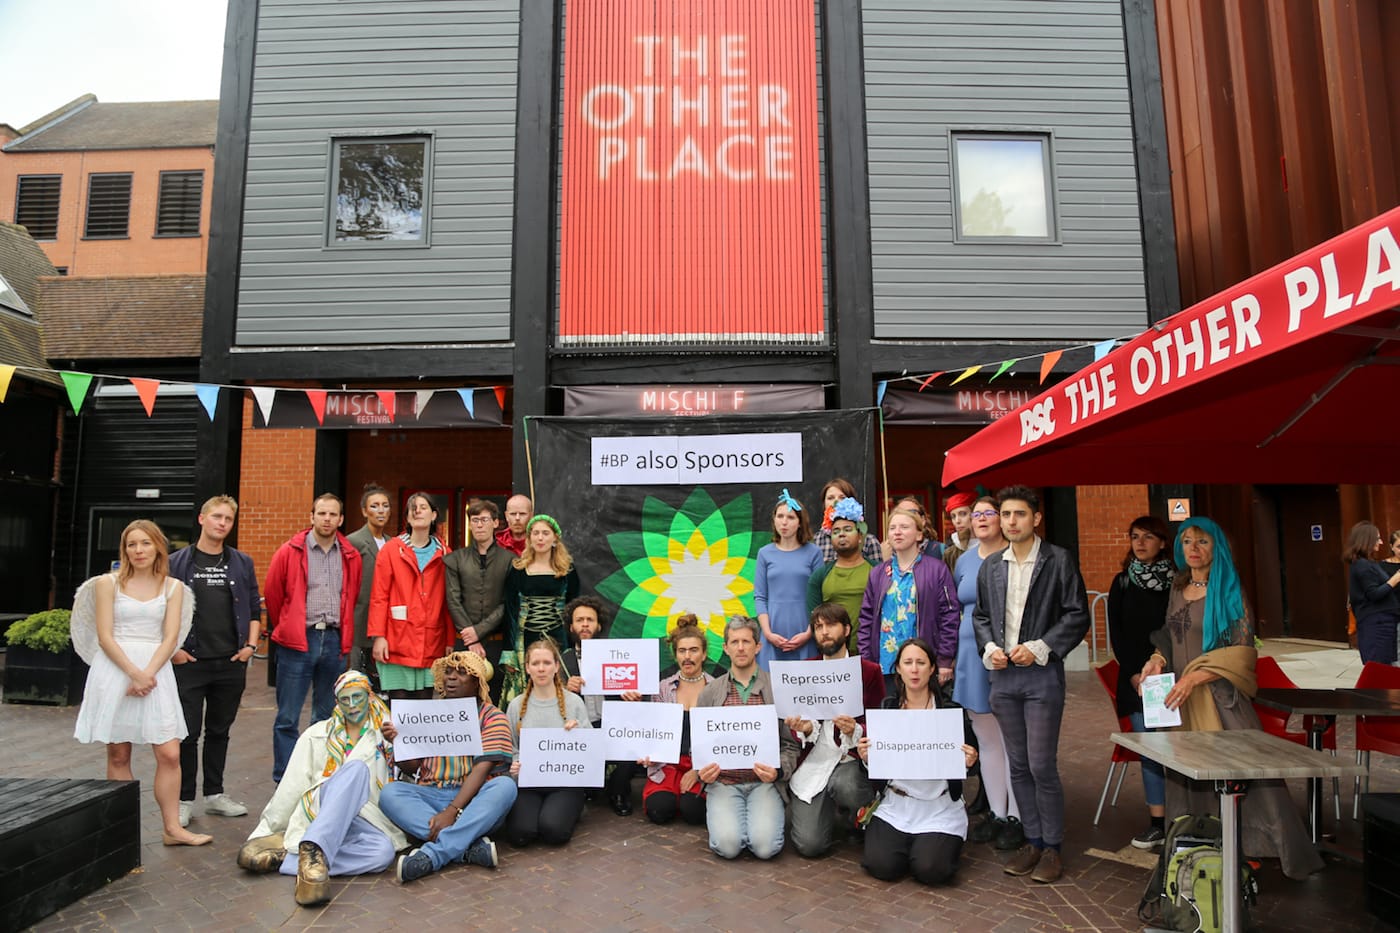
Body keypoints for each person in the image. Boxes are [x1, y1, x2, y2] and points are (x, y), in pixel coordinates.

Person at [1140, 518, 1323, 880]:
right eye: (1187, 541)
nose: (1193, 548)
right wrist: (1157, 658)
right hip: (1182, 702)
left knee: (1244, 779)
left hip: (1221, 701)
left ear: (1217, 547)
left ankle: (1255, 848)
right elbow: (1167, 633)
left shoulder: (1230, 592)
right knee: (1188, 779)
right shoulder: (1178, 587)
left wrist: (1196, 676)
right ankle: (1200, 848)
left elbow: (1242, 652)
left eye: (1202, 542)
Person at [972, 485, 1090, 884]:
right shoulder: (991, 565)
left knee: (1041, 764)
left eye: (1019, 514)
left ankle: (1053, 848)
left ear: (1036, 518)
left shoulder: (1058, 560)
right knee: (1018, 765)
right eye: (1005, 515)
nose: (1010, 522)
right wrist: (989, 647)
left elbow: (1076, 615)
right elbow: (982, 616)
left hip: (1041, 676)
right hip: (1002, 677)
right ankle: (1033, 841)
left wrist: (1041, 647)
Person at [71, 520, 211, 846]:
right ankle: (121, 831)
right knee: (119, 754)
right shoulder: (107, 584)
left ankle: (172, 829)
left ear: (158, 547)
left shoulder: (174, 588)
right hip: (116, 670)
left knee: (170, 753)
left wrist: (147, 673)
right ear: (125, 549)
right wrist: (133, 673)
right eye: (132, 544)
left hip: (156, 671)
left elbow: (171, 636)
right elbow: (104, 636)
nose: (139, 550)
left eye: (145, 543)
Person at [235, 670, 406, 906]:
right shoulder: (316, 734)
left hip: (367, 816)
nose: (353, 705)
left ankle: (294, 858)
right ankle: (314, 845)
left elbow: (409, 775)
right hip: (322, 809)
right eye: (345, 700)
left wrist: (400, 744)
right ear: (337, 703)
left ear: (370, 697)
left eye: (358, 697)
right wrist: (266, 830)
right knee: (356, 769)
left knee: (382, 854)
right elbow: (291, 785)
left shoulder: (389, 733)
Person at [380, 651, 518, 883]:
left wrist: (452, 811)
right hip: (430, 794)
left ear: (477, 683)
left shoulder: (493, 717)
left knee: (505, 786)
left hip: (474, 800)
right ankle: (466, 847)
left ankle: (433, 855)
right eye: (449, 672)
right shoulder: (427, 713)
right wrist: (399, 742)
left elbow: (482, 768)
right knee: (389, 793)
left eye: (462, 673)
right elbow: (411, 767)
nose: (452, 677)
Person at [167, 495, 261, 828]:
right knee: (187, 734)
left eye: (228, 519)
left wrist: (250, 646)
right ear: (202, 519)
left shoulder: (241, 562)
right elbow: (162, 610)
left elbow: (253, 608)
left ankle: (215, 794)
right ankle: (183, 799)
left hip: (230, 662)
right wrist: (173, 650)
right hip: (189, 662)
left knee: (220, 731)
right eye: (217, 517)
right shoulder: (176, 563)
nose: (222, 523)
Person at [857, 638, 978, 886]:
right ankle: (910, 845)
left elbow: (974, 763)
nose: (914, 669)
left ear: (932, 668)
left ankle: (931, 846)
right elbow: (875, 766)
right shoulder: (887, 709)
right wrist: (868, 758)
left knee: (931, 870)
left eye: (921, 662)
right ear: (898, 669)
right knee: (883, 866)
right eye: (908, 662)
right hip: (897, 804)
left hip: (939, 806)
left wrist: (969, 760)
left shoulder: (950, 712)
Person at [265, 493, 363, 783]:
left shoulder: (350, 556)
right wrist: (287, 624)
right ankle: (284, 779)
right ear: (312, 516)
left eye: (333, 514)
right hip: (298, 641)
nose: (327, 519)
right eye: (321, 513)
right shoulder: (290, 551)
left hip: (334, 641)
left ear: (341, 519)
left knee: (325, 716)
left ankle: (318, 775)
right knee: (287, 717)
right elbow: (273, 594)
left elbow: (352, 595)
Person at [783, 603, 884, 858]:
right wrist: (804, 727)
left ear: (847, 629)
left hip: (850, 760)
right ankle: (836, 817)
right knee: (809, 846)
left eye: (830, 625)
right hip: (816, 760)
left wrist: (857, 728)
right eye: (818, 627)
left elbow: (880, 721)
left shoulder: (869, 671)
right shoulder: (805, 670)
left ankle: (863, 815)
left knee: (846, 785)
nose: (824, 632)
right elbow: (801, 726)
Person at [951, 494, 1022, 851]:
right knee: (988, 741)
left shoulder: (1016, 555)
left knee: (1013, 740)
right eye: (975, 514)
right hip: (969, 657)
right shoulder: (963, 561)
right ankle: (997, 814)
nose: (980, 519)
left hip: (1005, 657)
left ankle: (1019, 817)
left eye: (988, 513)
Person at [695, 616, 796, 860]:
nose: (741, 647)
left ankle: (758, 823)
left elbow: (790, 744)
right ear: (726, 648)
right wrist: (702, 771)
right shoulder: (710, 692)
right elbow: (698, 746)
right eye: (735, 642)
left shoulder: (776, 689)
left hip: (764, 783)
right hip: (723, 783)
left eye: (746, 642)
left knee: (765, 848)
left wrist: (778, 771)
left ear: (757, 647)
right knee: (728, 847)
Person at [1104, 515, 1173, 849]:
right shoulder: (1122, 582)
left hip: (1174, 677)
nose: (1141, 543)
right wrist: (1133, 672)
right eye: (1135, 536)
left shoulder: (1180, 581)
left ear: (1162, 542)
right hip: (1136, 681)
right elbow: (1117, 634)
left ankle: (1187, 817)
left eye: (1148, 536)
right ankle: (1158, 822)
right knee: (1152, 751)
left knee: (1185, 747)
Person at [858, 506, 961, 699]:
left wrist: (945, 659)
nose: (897, 532)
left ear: (919, 534)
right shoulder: (878, 573)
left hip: (922, 663)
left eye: (904, 527)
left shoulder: (936, 570)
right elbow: (866, 619)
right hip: (885, 663)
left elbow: (950, 615)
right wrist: (866, 661)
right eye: (892, 528)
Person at [505, 639, 592, 846]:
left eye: (546, 663)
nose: (541, 669)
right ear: (527, 668)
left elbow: (590, 749)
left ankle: (574, 806)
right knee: (520, 834)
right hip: (529, 782)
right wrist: (515, 765)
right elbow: (511, 747)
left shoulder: (574, 702)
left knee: (554, 832)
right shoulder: (516, 706)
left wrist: (578, 734)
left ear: (556, 667)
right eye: (535, 664)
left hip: (565, 783)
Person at [369, 492, 454, 701]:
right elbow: (379, 596)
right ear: (407, 517)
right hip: (397, 641)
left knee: (424, 708)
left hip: (431, 643)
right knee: (400, 710)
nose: (417, 511)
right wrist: (379, 636)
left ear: (434, 515)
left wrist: (450, 639)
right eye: (412, 508)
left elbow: (449, 601)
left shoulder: (445, 553)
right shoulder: (391, 550)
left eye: (423, 507)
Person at [560, 596, 640, 815]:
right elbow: (550, 700)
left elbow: (636, 692)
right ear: (571, 626)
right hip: (580, 727)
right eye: (579, 620)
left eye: (590, 619)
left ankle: (618, 792)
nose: (585, 624)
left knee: (634, 741)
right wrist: (565, 690)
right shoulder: (562, 660)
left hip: (612, 723)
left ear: (599, 625)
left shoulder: (618, 656)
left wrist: (633, 697)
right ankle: (587, 787)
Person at [500, 514, 580, 705]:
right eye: (535, 533)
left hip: (559, 637)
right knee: (528, 689)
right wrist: (509, 652)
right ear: (529, 538)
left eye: (545, 533)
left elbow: (574, 609)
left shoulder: (567, 570)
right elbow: (510, 610)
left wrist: (573, 647)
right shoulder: (518, 569)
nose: (540, 538)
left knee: (559, 685)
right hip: (525, 637)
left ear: (555, 538)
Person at [643, 622, 714, 825]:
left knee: (693, 812)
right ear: (675, 655)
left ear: (704, 654)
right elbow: (653, 730)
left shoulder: (716, 688)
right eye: (682, 651)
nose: (687, 657)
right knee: (659, 811)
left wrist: (698, 772)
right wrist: (646, 752)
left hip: (700, 766)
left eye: (693, 650)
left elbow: (719, 739)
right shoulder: (662, 688)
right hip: (667, 764)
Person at [444, 499, 515, 702]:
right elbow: (453, 599)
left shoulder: (509, 560)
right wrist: (471, 636)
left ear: (495, 523)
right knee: (459, 697)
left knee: (493, 697)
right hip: (464, 640)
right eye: (475, 520)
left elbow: (507, 602)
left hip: (495, 642)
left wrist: (480, 631)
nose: (479, 525)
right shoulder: (455, 559)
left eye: (484, 520)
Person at [756, 490, 824, 670]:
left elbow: (819, 596)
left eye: (791, 517)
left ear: (800, 522)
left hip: (804, 632)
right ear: (774, 520)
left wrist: (809, 632)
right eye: (780, 516)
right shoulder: (764, 553)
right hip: (773, 634)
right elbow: (760, 597)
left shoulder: (814, 553)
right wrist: (768, 633)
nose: (784, 522)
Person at [806, 497, 876, 654]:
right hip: (834, 655)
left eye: (847, 529)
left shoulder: (877, 571)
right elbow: (814, 619)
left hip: (872, 652)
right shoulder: (820, 576)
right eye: (836, 532)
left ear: (860, 537)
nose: (841, 535)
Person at [346, 484, 393, 685]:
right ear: (365, 511)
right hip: (359, 623)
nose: (381, 510)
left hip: (385, 624)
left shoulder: (393, 543)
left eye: (385, 505)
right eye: (374, 506)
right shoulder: (353, 541)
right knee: (355, 680)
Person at [1343, 521, 1400, 665]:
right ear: (1367, 540)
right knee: (1379, 668)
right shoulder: (1362, 565)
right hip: (1376, 624)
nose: (1380, 542)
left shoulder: (1368, 563)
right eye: (1377, 538)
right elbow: (1373, 594)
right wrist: (1395, 579)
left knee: (1385, 667)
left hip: (1383, 622)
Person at [811, 478, 882, 564]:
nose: (836, 502)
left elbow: (878, 575)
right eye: (830, 498)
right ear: (824, 504)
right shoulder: (815, 541)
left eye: (842, 497)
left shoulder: (869, 541)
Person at [941, 492, 976, 571]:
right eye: (953, 516)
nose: (957, 521)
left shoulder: (988, 545)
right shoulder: (950, 554)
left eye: (963, 514)